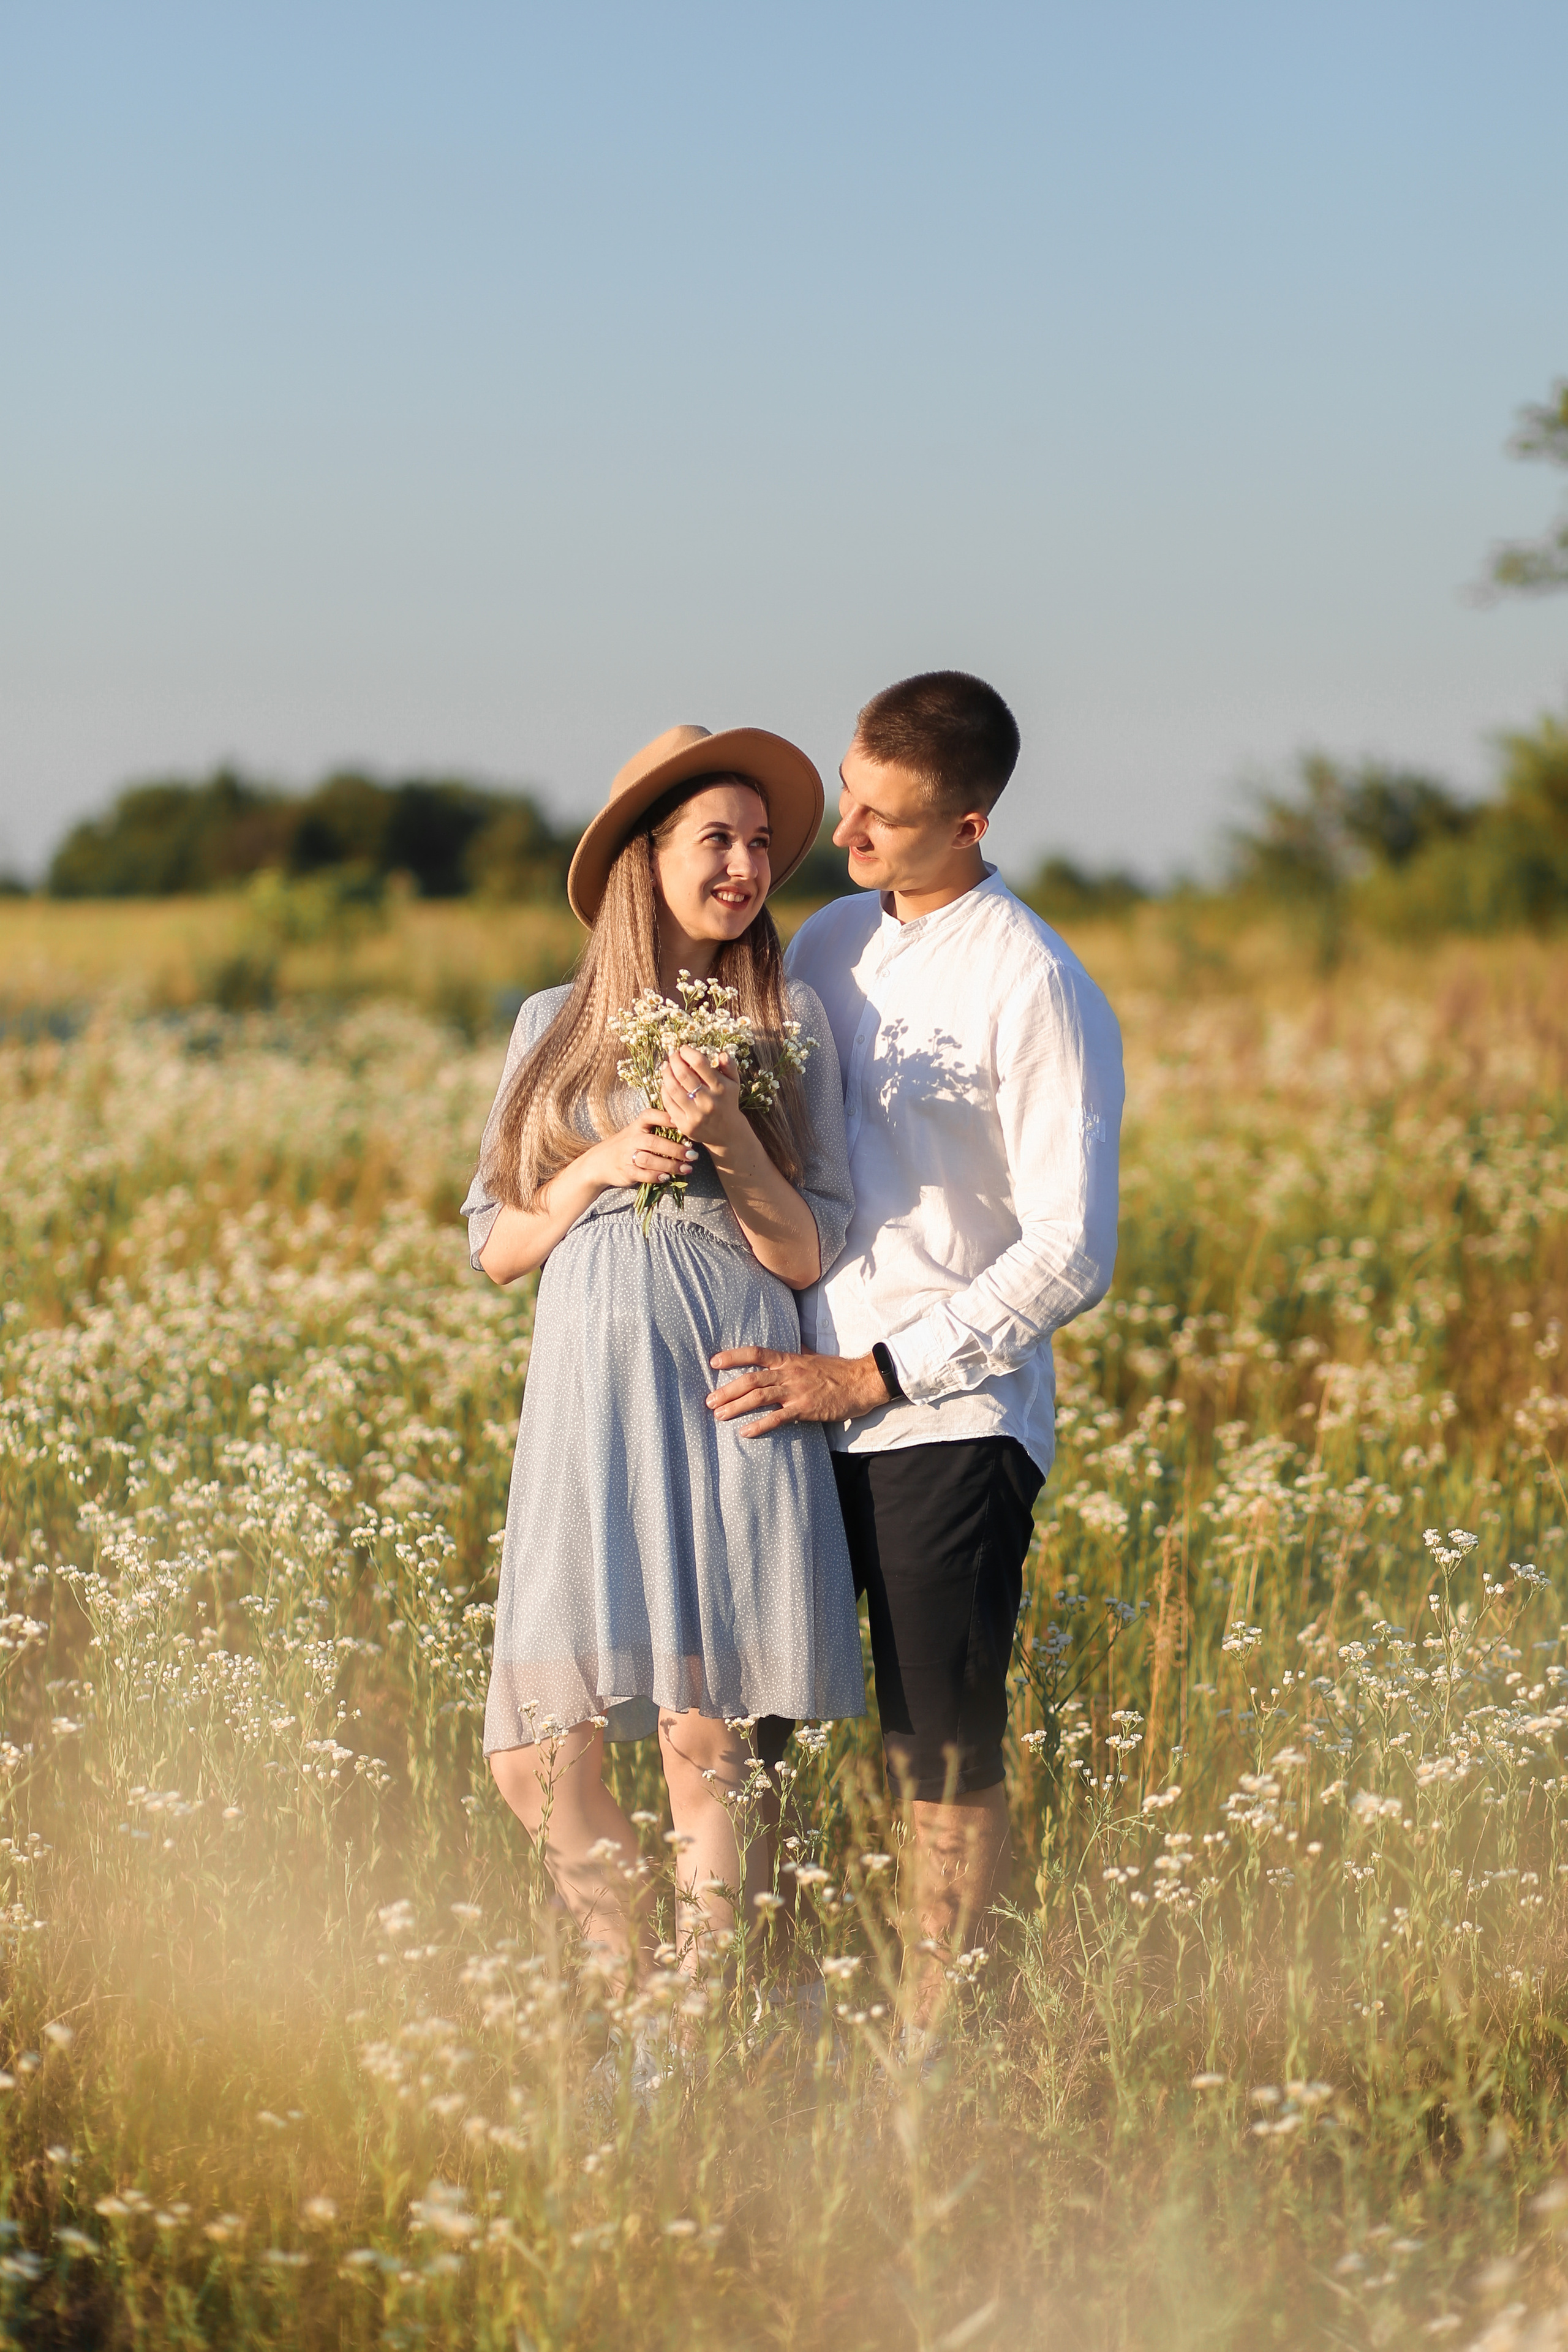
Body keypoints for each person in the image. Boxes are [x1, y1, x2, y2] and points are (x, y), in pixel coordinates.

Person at [707, 672, 1123, 2010]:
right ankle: (763, 2010)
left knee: (931, 1745)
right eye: (848, 798)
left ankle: (935, 2047)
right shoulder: (824, 941)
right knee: (746, 1722)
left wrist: (876, 1373)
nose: (847, 837)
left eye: (884, 818)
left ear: (970, 822)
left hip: (947, 1423)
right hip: (792, 1406)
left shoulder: (1035, 981)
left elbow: (1070, 1248)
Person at [464, 723, 864, 1979]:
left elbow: (808, 1252)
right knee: (532, 1753)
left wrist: (732, 1130)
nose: (744, 865)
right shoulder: (552, 1021)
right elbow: (494, 1245)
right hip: (589, 1412)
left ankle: (697, 2036)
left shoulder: (784, 1015)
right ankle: (625, 1981)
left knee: (707, 1740)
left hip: (723, 1391)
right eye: (717, 839)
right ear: (644, 859)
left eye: (759, 844)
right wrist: (594, 1162)